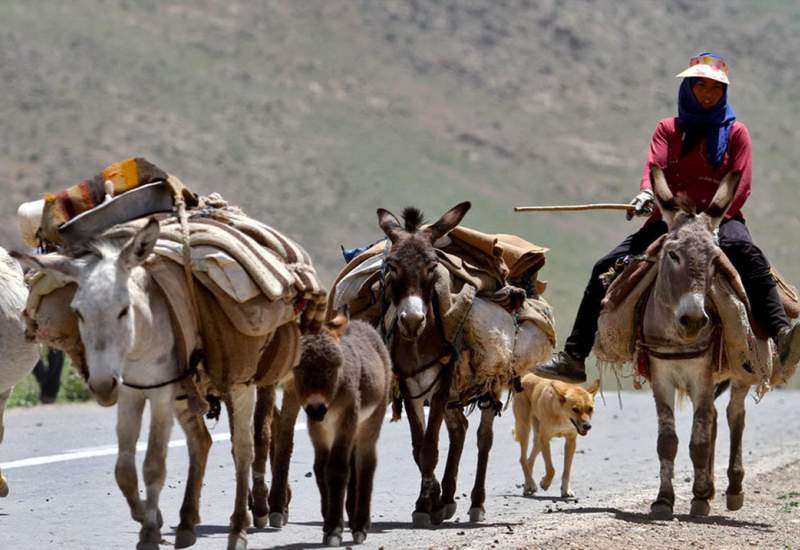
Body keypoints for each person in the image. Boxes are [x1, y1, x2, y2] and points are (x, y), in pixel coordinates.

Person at [535, 52, 800, 383]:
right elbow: (654, 168)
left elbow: (740, 184)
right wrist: (647, 194)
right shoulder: (668, 130)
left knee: (750, 256)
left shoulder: (736, 134)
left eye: (715, 88)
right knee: (605, 266)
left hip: (721, 218)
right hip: (670, 219)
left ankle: (781, 334)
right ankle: (574, 357)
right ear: (688, 88)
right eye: (700, 86)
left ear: (724, 93)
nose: (707, 94)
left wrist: (713, 224)